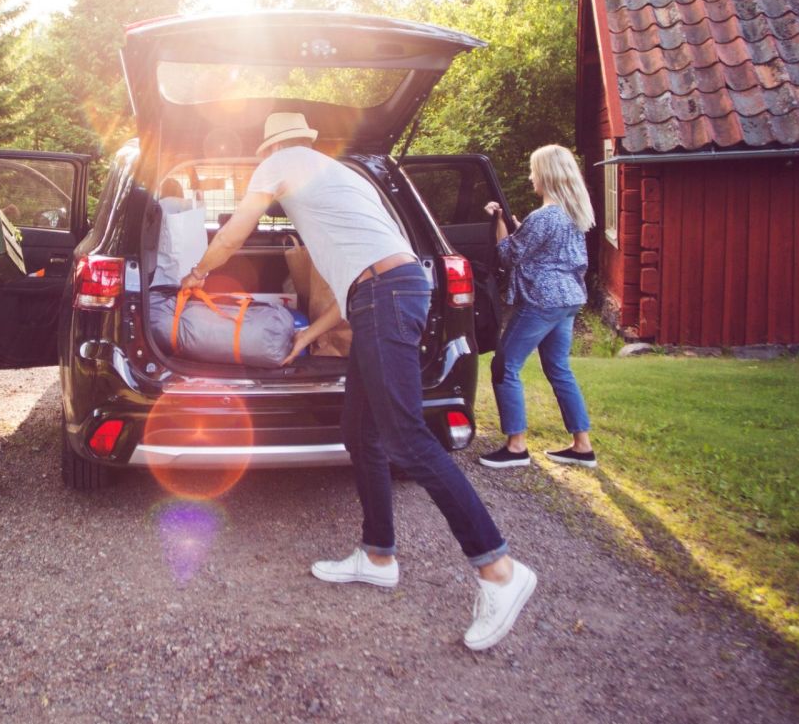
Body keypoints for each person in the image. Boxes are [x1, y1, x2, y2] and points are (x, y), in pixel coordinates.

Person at [179, 111, 536, 651]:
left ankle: (499, 569)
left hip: (386, 295)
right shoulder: (341, 174)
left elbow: (235, 232)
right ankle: (377, 555)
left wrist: (198, 272)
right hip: (386, 293)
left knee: (407, 437)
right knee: (359, 430)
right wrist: (310, 334)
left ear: (271, 147)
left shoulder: (280, 163)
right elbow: (364, 275)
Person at [479, 144, 597, 470]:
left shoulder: (545, 217)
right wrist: (516, 225)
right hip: (569, 299)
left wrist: (499, 221)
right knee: (559, 368)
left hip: (542, 302)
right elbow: (538, 249)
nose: (531, 176)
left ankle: (516, 448)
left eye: (534, 170)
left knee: (505, 365)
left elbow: (508, 255)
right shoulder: (573, 212)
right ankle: (582, 445)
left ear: (546, 173)